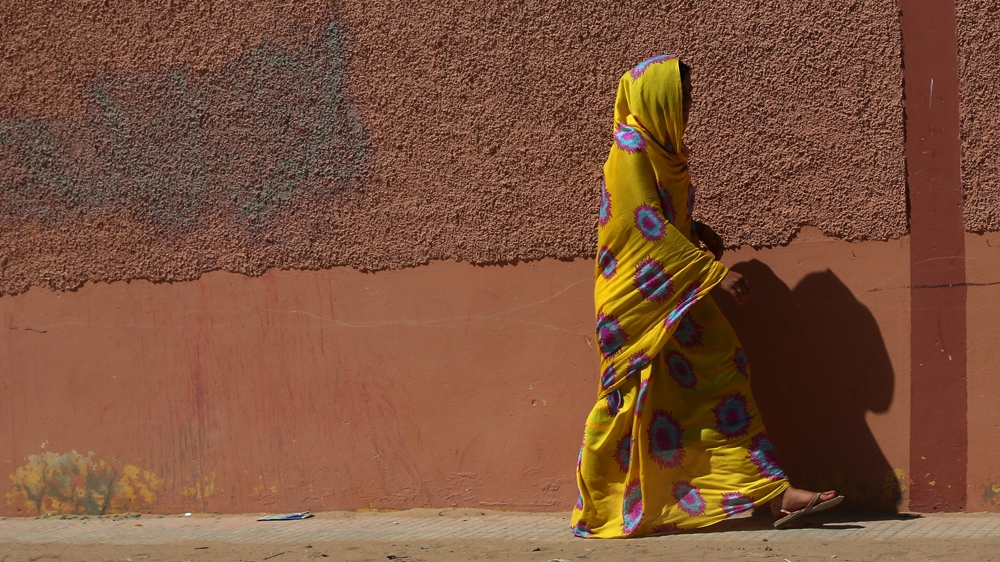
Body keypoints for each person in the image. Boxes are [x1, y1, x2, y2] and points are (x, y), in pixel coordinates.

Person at [571, 55, 841, 538]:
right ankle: (599, 505)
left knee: (723, 372)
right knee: (632, 398)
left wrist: (693, 228)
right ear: (658, 99)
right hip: (638, 298)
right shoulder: (629, 149)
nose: (689, 106)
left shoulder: (666, 151)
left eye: (689, 96)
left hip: (674, 289)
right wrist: (715, 275)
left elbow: (661, 214)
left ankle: (768, 492)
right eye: (682, 97)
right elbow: (641, 225)